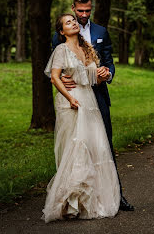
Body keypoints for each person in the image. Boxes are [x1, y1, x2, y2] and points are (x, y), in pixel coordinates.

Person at [52, 0, 134, 212]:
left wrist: (109, 74)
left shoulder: (101, 32)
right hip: (77, 98)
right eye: (80, 11)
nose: (84, 15)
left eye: (88, 10)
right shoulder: (60, 38)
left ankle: (115, 195)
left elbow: (108, 60)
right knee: (79, 146)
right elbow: (55, 67)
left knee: (104, 145)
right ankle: (79, 199)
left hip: (98, 96)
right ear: (73, 8)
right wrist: (62, 81)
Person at [42, 14, 120, 222]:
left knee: (94, 147)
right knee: (76, 147)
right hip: (71, 102)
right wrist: (69, 98)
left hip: (89, 100)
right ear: (61, 31)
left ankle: (89, 202)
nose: (73, 23)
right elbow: (55, 77)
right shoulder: (61, 49)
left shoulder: (86, 49)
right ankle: (69, 204)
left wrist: (102, 74)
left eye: (73, 21)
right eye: (68, 22)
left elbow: (90, 77)